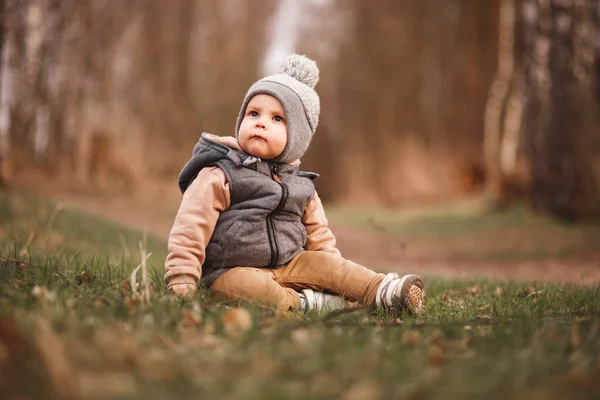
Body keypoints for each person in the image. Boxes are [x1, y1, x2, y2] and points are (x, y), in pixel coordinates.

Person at [164, 54, 426, 314]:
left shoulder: (302, 186)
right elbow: (190, 228)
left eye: (277, 118)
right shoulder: (220, 173)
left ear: (297, 137)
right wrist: (182, 280)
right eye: (253, 113)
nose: (261, 122)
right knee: (247, 287)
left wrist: (332, 278)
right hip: (230, 271)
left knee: (328, 265)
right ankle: (305, 304)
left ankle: (383, 291)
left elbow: (320, 238)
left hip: (292, 265)